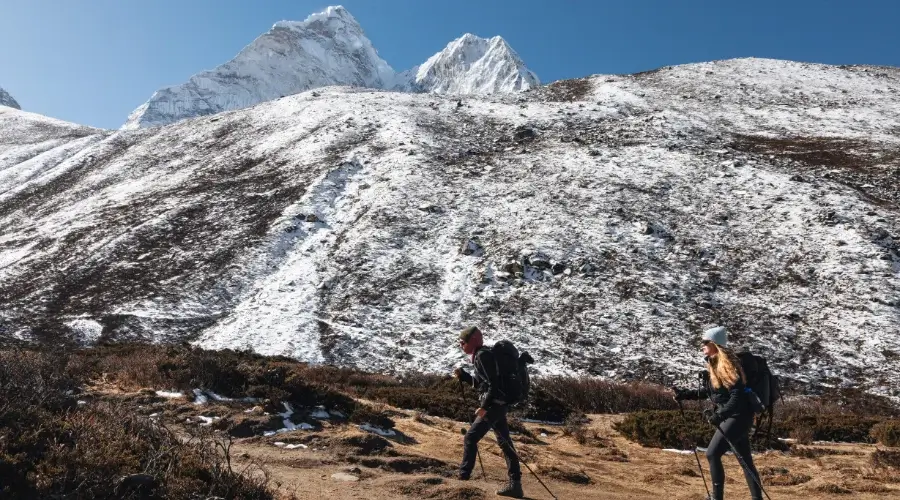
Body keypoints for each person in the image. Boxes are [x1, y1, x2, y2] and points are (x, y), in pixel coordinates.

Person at [673, 326, 763, 500]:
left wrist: (719, 416)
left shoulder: (726, 364)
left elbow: (736, 397)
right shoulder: (714, 363)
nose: (702, 346)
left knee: (712, 453)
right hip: (737, 417)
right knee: (746, 461)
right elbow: (714, 393)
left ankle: (717, 497)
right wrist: (684, 394)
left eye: (705, 342)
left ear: (715, 344)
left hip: (737, 417)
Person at [452, 326, 524, 499]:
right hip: (499, 404)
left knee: (470, 437)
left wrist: (484, 407)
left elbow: (494, 384)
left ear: (473, 341)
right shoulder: (481, 355)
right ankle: (516, 485)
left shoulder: (482, 355)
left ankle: (462, 479)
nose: (461, 345)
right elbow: (481, 384)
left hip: (494, 406)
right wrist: (464, 376)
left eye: (463, 342)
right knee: (505, 442)